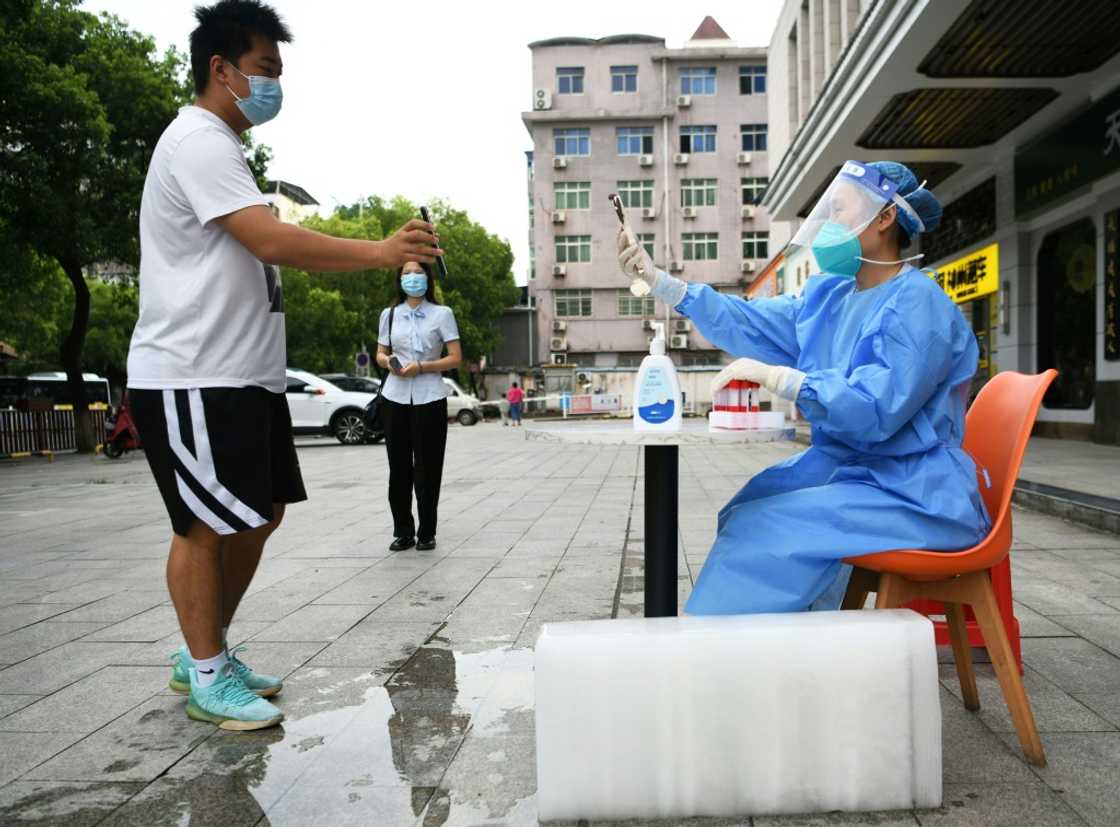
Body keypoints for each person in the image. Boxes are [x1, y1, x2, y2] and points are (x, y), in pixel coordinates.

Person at [125, 0, 442, 731]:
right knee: (203, 526)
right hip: (191, 373)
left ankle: (203, 650)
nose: (273, 86)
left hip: (244, 374)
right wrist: (382, 253)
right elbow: (271, 241)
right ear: (221, 69)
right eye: (264, 70)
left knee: (258, 515)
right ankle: (205, 671)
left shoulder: (224, 149)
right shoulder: (197, 140)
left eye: (278, 72)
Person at [617, 160, 990, 615]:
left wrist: (784, 379)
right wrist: (662, 283)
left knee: (765, 528)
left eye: (839, 211)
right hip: (858, 472)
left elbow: (875, 409)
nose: (829, 225)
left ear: (884, 217)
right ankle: (791, 645)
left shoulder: (919, 305)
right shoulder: (830, 295)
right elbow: (750, 319)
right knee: (748, 506)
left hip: (912, 489)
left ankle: (723, 660)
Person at [376, 262, 462, 552]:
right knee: (398, 467)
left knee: (428, 468)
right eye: (406, 273)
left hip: (430, 397)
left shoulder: (443, 314)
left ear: (428, 277)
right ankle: (403, 531)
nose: (412, 278)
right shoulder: (389, 315)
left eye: (418, 272)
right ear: (399, 279)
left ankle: (427, 532)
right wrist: (388, 362)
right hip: (394, 397)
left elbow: (455, 358)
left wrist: (423, 367)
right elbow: (380, 353)